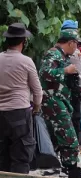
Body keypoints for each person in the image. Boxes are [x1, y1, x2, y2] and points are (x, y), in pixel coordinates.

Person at [39, 29, 81, 178]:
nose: (77, 48)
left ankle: (63, 168)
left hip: (62, 102)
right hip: (52, 103)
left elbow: (73, 86)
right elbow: (44, 73)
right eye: (76, 45)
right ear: (71, 43)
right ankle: (71, 169)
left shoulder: (65, 57)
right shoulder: (53, 54)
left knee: (61, 138)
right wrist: (65, 70)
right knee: (70, 138)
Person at [0, 23, 43, 174]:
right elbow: (37, 92)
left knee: (2, 157)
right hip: (19, 114)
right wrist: (36, 109)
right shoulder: (26, 61)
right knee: (21, 157)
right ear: (23, 41)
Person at [61, 20, 81, 139]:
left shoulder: (59, 50)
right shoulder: (74, 53)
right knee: (74, 120)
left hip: (65, 93)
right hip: (73, 92)